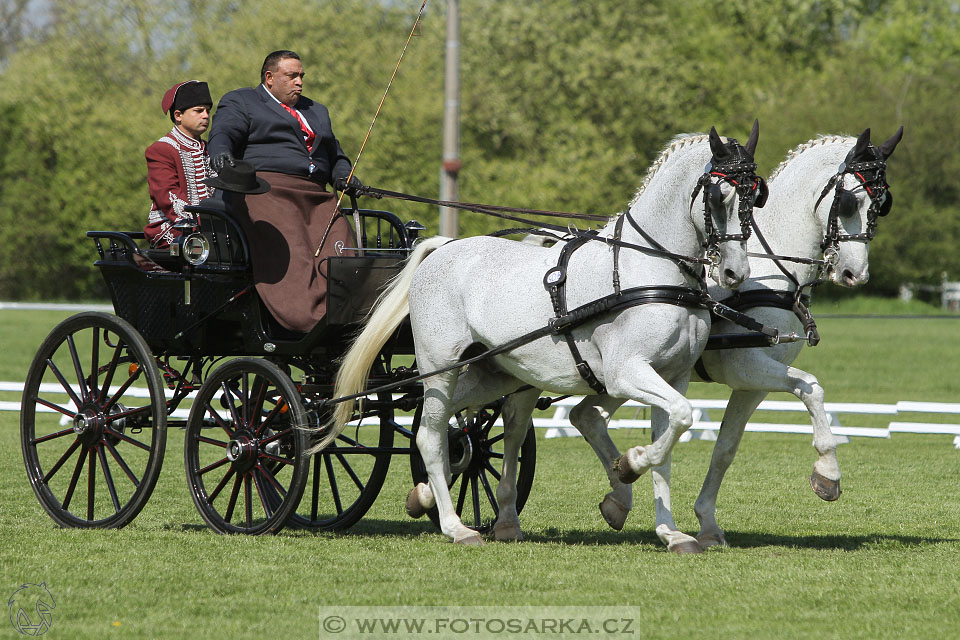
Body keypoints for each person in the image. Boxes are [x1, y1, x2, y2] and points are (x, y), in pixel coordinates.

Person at [207, 50, 363, 332]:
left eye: (301, 76)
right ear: (269, 78)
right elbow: (224, 133)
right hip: (267, 190)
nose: (299, 82)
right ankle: (303, 317)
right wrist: (220, 154)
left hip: (316, 195)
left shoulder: (317, 111)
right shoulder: (242, 101)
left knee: (340, 244)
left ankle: (343, 314)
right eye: (292, 76)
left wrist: (342, 175)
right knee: (297, 248)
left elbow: (335, 154)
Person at [144, 80, 215, 248]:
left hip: (210, 229)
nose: (205, 115)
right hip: (173, 228)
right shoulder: (162, 149)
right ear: (178, 115)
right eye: (198, 111)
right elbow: (168, 197)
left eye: (207, 111)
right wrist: (201, 223)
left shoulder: (210, 149)